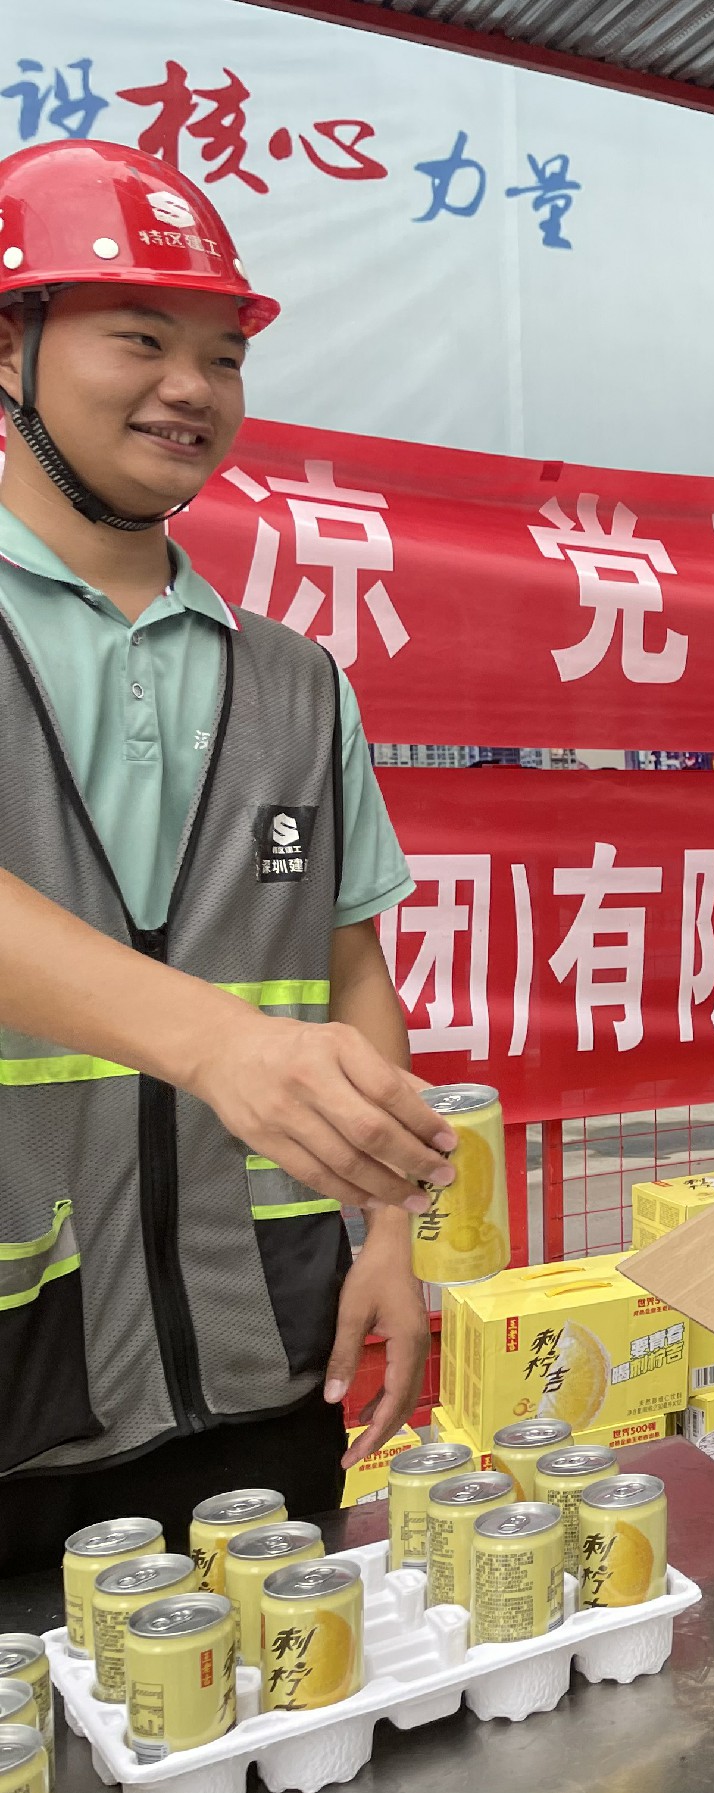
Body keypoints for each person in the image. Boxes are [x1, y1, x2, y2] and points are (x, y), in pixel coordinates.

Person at [0, 140, 442, 1578]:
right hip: (22, 1369)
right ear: (9, 350)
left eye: (223, 355)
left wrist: (389, 1231)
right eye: (141, 338)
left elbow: (352, 969)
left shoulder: (297, 681)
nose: (191, 387)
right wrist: (221, 1044)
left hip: (264, 1351)